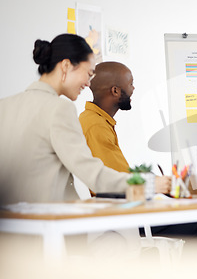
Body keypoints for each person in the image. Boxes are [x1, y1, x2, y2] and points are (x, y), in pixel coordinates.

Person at [0, 34, 168, 206]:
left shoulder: (4, 106)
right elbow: (93, 174)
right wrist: (150, 185)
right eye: (88, 74)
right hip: (53, 224)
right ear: (65, 65)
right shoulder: (60, 109)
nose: (88, 84)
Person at [79, 61, 197, 241]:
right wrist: (167, 187)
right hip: (120, 215)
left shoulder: (97, 120)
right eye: (130, 84)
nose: (133, 88)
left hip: (127, 206)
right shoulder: (95, 126)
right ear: (115, 91)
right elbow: (114, 183)